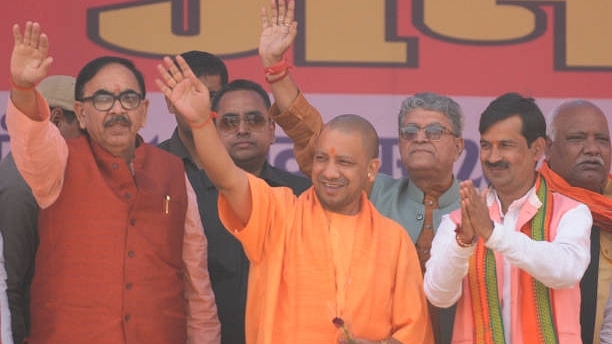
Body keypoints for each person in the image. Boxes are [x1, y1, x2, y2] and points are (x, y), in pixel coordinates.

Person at [156, 54, 434, 344]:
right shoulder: (279, 212)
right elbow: (227, 178)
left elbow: (412, 331)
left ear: (371, 170)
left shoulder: (393, 240)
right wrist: (201, 123)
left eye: (345, 163)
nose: (329, 172)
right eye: (321, 159)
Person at [257, 0, 463, 342]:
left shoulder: (481, 210)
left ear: (459, 146)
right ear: (395, 147)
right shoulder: (371, 192)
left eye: (435, 131)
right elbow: (313, 138)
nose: (421, 139)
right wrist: (276, 71)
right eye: (410, 132)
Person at [6, 21, 220, 343]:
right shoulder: (58, 162)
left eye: (130, 99)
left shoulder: (173, 172)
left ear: (144, 112)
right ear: (80, 112)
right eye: (103, 99)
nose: (118, 110)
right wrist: (23, 90)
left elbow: (196, 282)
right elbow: (32, 142)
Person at [159, 51, 311, 344]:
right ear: (213, 129)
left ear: (271, 129)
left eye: (254, 120)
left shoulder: (301, 195)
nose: (242, 130)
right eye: (229, 122)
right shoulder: (188, 195)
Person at [424, 92, 592, 343]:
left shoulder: (571, 212)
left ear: (537, 149)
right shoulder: (459, 222)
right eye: (485, 145)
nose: (492, 157)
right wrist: (463, 244)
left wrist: (493, 234)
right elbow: (439, 296)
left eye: (505, 145)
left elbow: (565, 271)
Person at [0, 75, 80, 344]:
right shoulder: (20, 186)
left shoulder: (53, 176)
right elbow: (9, 288)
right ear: (56, 119)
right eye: (86, 132)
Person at [540, 99, 612, 344]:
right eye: (577, 138)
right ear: (547, 148)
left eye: (601, 139)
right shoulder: (526, 205)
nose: (592, 149)